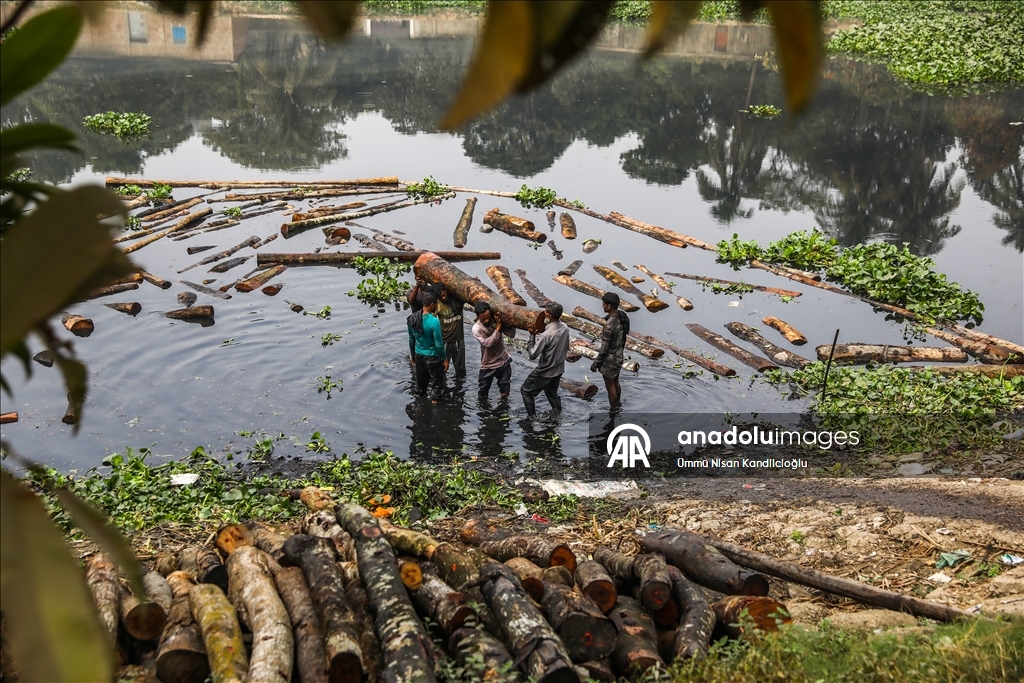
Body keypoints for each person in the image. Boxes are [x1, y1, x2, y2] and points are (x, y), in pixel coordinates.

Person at [521, 302, 570, 417]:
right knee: (551, 393)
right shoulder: (565, 327)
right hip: (558, 369)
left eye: (546, 311)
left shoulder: (546, 335)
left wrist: (532, 335)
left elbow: (532, 355)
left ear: (550, 316)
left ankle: (532, 418)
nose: (544, 313)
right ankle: (558, 413)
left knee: (526, 391)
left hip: (545, 371)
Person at [407, 292, 447, 403]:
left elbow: (411, 340)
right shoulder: (434, 321)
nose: (437, 306)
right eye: (436, 304)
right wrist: (444, 359)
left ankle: (420, 407)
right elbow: (438, 343)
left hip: (419, 355)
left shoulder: (411, 319)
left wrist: (413, 356)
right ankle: (435, 408)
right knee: (436, 385)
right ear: (432, 304)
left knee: (421, 385)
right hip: (432, 356)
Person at [591, 291, 629, 409]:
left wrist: (595, 364)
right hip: (619, 356)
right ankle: (618, 404)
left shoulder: (609, 325)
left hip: (610, 360)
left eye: (604, 304)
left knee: (610, 386)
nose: (602, 306)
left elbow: (604, 349)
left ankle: (613, 411)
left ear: (609, 306)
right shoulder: (622, 318)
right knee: (616, 382)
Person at [471, 302, 515, 402]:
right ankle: (483, 413)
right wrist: (498, 329)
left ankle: (503, 410)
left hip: (503, 360)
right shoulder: (477, 328)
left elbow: (511, 335)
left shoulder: (495, 320)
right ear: (478, 316)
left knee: (505, 390)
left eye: (488, 317)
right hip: (488, 364)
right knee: (483, 392)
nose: (487, 320)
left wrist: (510, 322)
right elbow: (488, 344)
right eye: (483, 318)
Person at [436, 286, 467, 380]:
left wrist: (474, 283)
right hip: (445, 340)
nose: (442, 296)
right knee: (442, 367)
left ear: (446, 290)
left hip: (459, 339)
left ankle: (460, 386)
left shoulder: (458, 300)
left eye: (443, 293)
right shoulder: (437, 304)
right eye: (439, 295)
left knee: (461, 369)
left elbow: (471, 296)